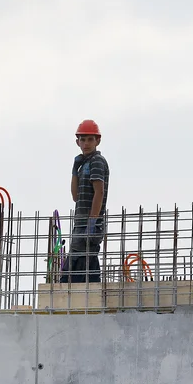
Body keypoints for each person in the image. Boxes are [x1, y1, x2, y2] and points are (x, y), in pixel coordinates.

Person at [60, 119, 110, 284]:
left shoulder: (96, 161)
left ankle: (91, 299)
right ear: (77, 142)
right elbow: (75, 196)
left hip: (88, 225)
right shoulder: (84, 165)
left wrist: (92, 221)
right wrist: (75, 171)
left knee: (82, 266)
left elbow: (99, 192)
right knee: (79, 265)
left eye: (90, 139)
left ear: (98, 141)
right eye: (83, 139)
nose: (86, 143)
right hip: (80, 224)